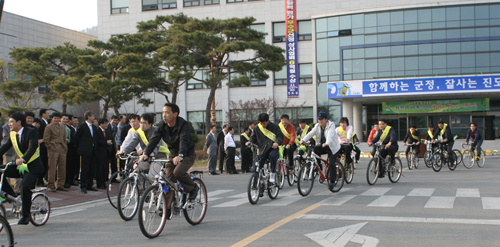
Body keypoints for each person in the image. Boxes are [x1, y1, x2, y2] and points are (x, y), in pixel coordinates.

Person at [140, 103, 198, 218]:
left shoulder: (183, 125)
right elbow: (154, 139)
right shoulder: (162, 125)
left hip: (186, 154)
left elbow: (184, 140)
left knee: (178, 172)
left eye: (167, 112)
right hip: (173, 155)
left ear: (175, 114)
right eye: (163, 113)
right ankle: (168, 208)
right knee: (168, 179)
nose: (164, 115)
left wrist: (181, 154)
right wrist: (146, 153)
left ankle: (193, 187)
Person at [0, 111, 44, 225]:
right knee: (1, 170)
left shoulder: (31, 131)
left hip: (32, 167)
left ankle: (26, 216)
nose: (9, 124)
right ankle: (11, 195)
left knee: (24, 187)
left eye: (11, 122)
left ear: (19, 122)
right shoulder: (12, 134)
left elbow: (33, 147)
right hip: (20, 166)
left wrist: (23, 158)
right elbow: (4, 147)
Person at [118, 113, 166, 182]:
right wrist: (124, 151)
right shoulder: (139, 132)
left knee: (152, 177)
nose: (142, 125)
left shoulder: (156, 130)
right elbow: (132, 143)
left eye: (145, 123)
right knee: (136, 170)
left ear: (150, 124)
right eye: (141, 122)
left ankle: (155, 191)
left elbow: (157, 143)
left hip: (158, 156)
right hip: (146, 156)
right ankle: (139, 189)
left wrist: (153, 152)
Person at [301, 112, 341, 192]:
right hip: (322, 145)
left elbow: (330, 135)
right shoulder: (317, 126)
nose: (320, 121)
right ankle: (318, 166)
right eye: (319, 119)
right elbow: (311, 133)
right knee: (315, 149)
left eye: (322, 119)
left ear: (326, 119)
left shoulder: (331, 125)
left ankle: (332, 181)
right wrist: (303, 140)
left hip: (332, 147)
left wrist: (327, 143)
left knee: (332, 163)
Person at [245, 113, 283, 183]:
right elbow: (253, 137)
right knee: (257, 167)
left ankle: (272, 173)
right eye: (261, 123)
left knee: (273, 156)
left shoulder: (275, 126)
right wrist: (250, 142)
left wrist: (277, 143)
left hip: (272, 148)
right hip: (262, 150)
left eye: (264, 123)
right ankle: (255, 184)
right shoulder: (257, 128)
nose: (263, 125)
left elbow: (280, 137)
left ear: (268, 121)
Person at [74, 111, 99, 194]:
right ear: (88, 117)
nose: (94, 118)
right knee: (84, 168)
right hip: (85, 150)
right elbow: (76, 138)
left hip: (93, 150)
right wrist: (81, 147)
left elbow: (95, 138)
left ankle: (89, 184)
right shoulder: (82, 126)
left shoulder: (94, 127)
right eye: (92, 116)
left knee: (92, 168)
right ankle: (83, 186)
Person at [43, 112, 68, 192]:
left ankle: (60, 184)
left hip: (62, 148)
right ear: (52, 119)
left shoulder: (62, 126)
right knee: (52, 167)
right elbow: (46, 139)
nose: (57, 119)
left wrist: (64, 146)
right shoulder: (48, 127)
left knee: (62, 167)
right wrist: (50, 147)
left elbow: (64, 137)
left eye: (58, 118)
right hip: (53, 148)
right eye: (55, 118)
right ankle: (51, 185)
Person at [95, 118, 112, 189]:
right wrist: (105, 142)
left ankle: (105, 182)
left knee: (106, 168)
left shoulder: (107, 131)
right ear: (101, 124)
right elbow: (96, 141)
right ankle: (99, 183)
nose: (106, 125)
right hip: (99, 153)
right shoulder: (97, 131)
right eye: (105, 123)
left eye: (107, 123)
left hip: (107, 152)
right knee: (100, 169)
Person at [64, 114, 78, 188]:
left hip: (74, 150)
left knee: (73, 166)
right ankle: (66, 181)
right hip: (68, 150)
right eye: (73, 119)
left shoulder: (72, 129)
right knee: (67, 166)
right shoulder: (65, 128)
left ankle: (71, 180)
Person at [37, 108, 50, 187]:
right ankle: (39, 180)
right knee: (42, 162)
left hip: (46, 146)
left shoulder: (47, 123)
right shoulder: (41, 123)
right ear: (43, 114)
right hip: (42, 146)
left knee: (45, 162)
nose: (48, 114)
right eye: (47, 113)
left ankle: (42, 179)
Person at [108, 115, 119, 181]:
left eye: (116, 120)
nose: (115, 121)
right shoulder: (107, 126)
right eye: (114, 120)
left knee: (114, 162)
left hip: (113, 147)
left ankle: (114, 177)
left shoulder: (115, 127)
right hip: (108, 146)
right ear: (110, 119)